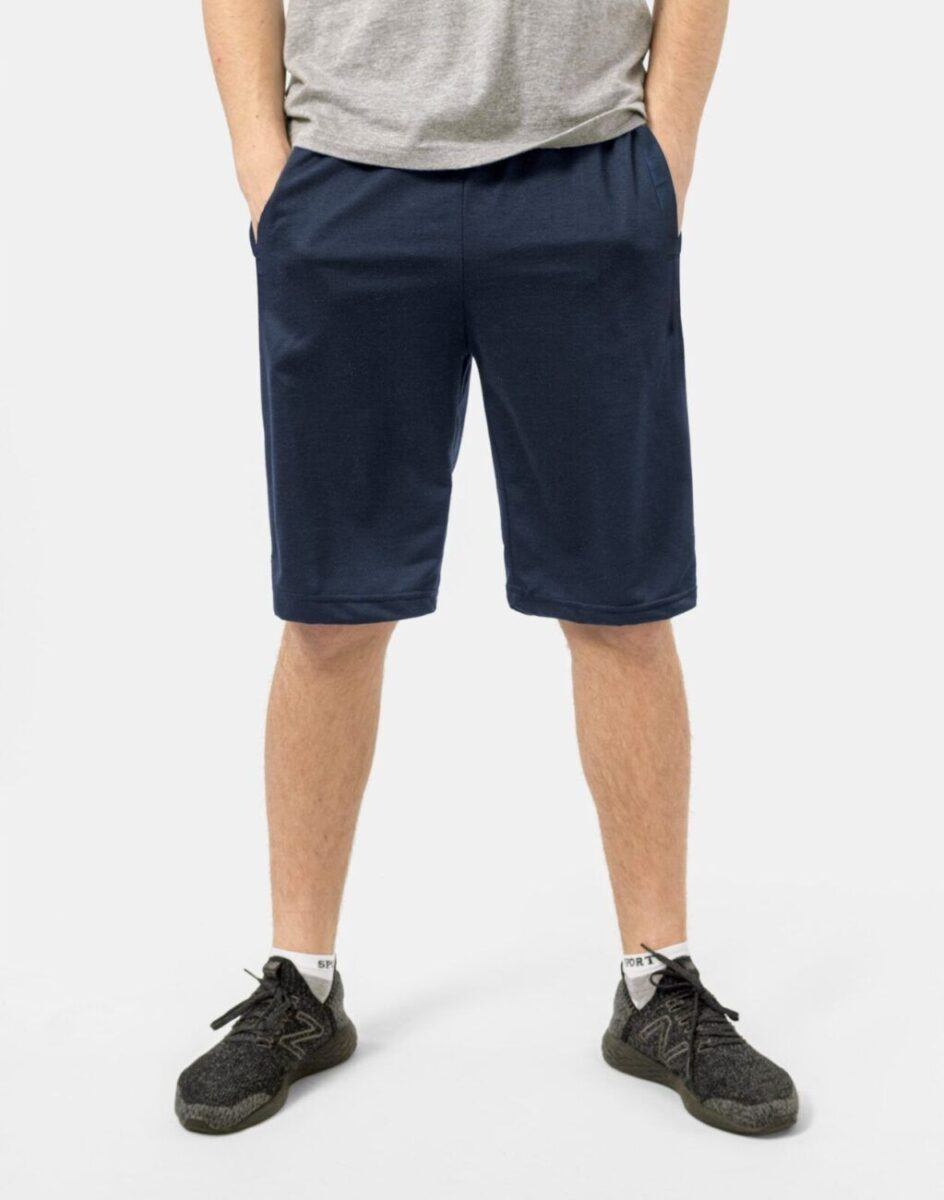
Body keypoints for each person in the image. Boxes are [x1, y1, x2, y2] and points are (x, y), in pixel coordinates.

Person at [176, 0, 797, 1137]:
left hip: (584, 174)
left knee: (622, 601)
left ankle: (657, 983)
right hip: (346, 186)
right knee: (329, 610)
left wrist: (659, 163)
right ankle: (299, 981)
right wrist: (269, 177)